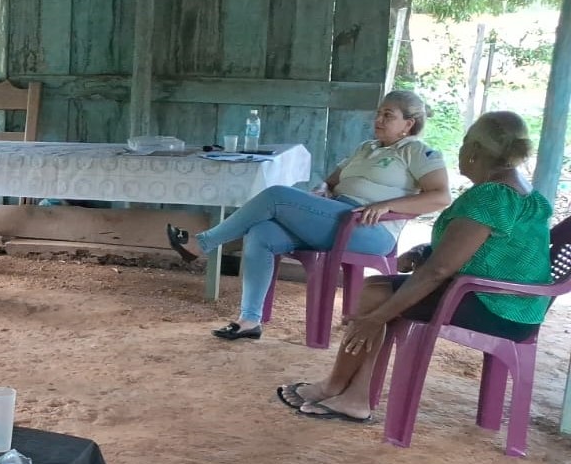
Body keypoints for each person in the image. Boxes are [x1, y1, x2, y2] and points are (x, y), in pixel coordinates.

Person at [278, 111, 550, 422]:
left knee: (377, 296)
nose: (460, 150)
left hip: (497, 308)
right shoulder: (523, 191)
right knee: (379, 290)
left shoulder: (491, 196)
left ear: (475, 150)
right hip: (514, 306)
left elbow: (438, 271)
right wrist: (425, 251)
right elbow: (483, 249)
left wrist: (375, 319)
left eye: (464, 143)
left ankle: (340, 387)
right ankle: (351, 393)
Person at [166, 91, 451, 340]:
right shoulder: (367, 147)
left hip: (369, 229)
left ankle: (202, 243)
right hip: (336, 216)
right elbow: (333, 181)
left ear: (409, 124)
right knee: (261, 233)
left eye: (388, 115)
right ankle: (249, 320)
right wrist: (323, 188)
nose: (378, 120)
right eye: (378, 113)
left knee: (276, 195)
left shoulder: (418, 151)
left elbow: (440, 196)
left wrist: (388, 205)